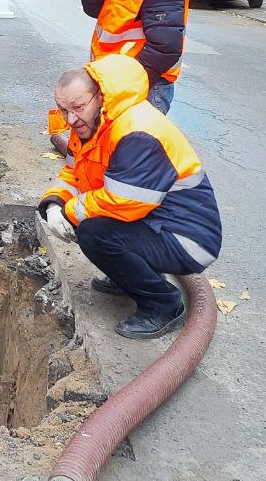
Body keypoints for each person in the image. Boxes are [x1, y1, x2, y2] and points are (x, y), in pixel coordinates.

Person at [39, 55, 222, 339]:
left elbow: (125, 203)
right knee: (86, 222)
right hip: (160, 223)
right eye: (63, 110)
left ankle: (164, 304)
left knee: (94, 232)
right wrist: (53, 204)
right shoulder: (91, 127)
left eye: (78, 107)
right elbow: (73, 177)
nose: (71, 119)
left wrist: (70, 210)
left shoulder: (136, 131)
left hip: (189, 239)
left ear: (100, 96)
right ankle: (128, 274)